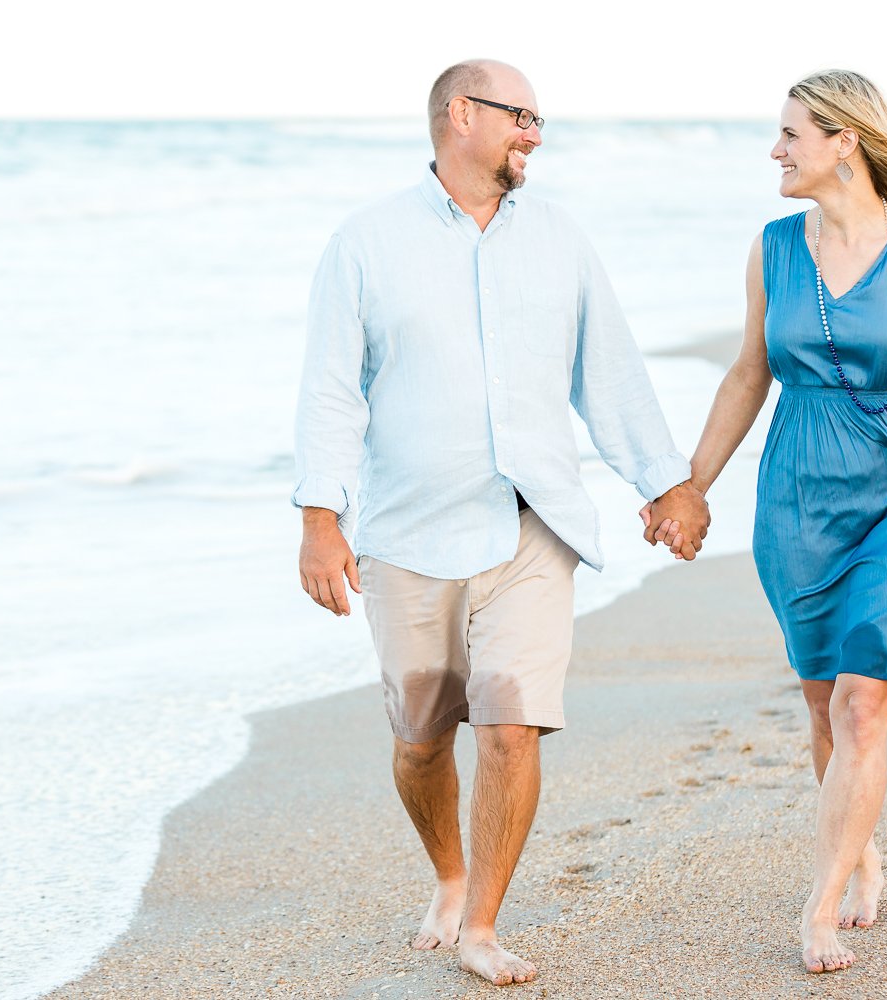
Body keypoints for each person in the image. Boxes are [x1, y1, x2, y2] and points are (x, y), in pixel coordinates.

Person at [292, 59, 710, 987]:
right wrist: (322, 517)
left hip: (534, 523)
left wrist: (666, 483)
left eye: (538, 117)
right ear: (458, 115)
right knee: (420, 741)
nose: (534, 133)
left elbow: (609, 369)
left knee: (512, 727)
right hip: (408, 533)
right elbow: (329, 392)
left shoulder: (559, 239)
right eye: (520, 115)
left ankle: (481, 924)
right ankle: (448, 872)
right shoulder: (366, 243)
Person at [647, 69, 887, 973]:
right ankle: (861, 849)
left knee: (864, 703)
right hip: (799, 493)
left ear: (845, 140)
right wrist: (691, 485)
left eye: (791, 133)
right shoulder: (774, 247)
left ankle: (821, 907)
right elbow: (747, 374)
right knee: (823, 706)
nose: (776, 151)